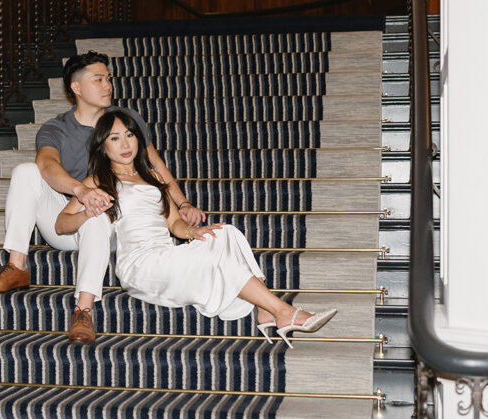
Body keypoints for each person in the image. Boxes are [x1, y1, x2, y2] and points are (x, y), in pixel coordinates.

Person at [0, 51, 206, 344]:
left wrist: (182, 203)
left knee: (99, 213)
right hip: (68, 218)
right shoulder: (56, 128)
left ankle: (83, 310)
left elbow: (155, 167)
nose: (107, 85)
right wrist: (82, 191)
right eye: (98, 79)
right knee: (26, 171)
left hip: (113, 225)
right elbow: (46, 164)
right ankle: (17, 265)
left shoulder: (123, 122)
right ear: (76, 88)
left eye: (108, 78)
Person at [55, 110, 337, 346]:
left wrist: (194, 233)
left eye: (129, 135)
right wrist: (88, 214)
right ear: (103, 146)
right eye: (115, 138)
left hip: (166, 253)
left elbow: (175, 223)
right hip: (140, 266)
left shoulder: (151, 176)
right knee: (212, 258)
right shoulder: (97, 181)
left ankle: (264, 311)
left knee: (225, 232)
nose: (125, 143)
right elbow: (61, 224)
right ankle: (282, 310)